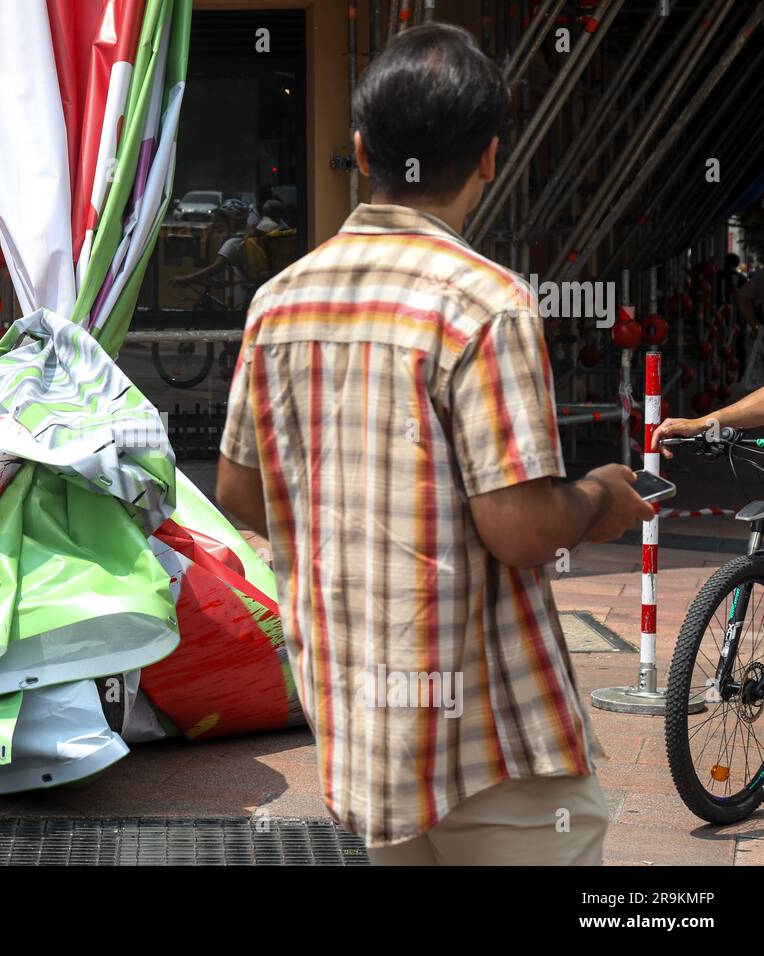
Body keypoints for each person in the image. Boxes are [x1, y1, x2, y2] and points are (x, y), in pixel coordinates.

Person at [216, 22, 652, 865]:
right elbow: (521, 528)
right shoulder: (484, 303)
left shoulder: (278, 302)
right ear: (488, 158)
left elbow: (240, 495)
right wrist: (599, 497)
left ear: (358, 150)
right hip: (491, 740)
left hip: (359, 723)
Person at [171, 198, 265, 308]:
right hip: (262, 289)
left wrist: (185, 279)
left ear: (231, 221)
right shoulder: (253, 236)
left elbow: (214, 269)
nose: (221, 226)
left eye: (223, 222)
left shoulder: (233, 243)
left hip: (253, 296)